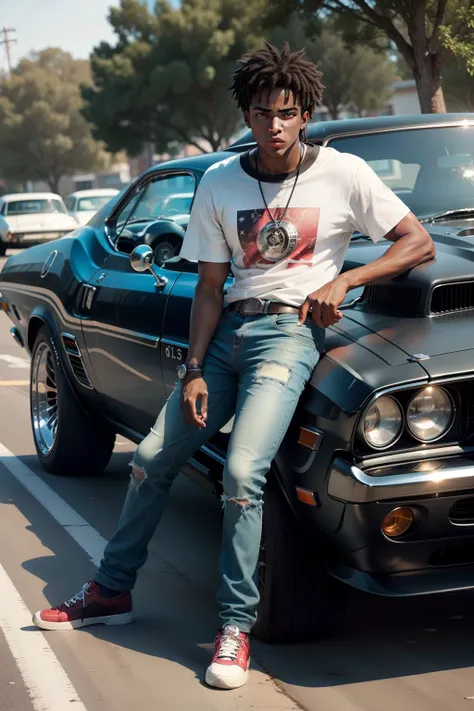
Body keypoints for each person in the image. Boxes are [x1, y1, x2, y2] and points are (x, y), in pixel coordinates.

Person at [32, 42, 436, 690]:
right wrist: (193, 368)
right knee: (150, 458)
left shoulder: (344, 175)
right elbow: (212, 288)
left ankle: (234, 627)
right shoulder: (220, 180)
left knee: (244, 472)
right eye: (261, 112)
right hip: (225, 338)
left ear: (304, 113)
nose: (274, 125)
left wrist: (347, 279)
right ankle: (111, 589)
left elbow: (413, 241)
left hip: (291, 334)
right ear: (246, 114)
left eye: (286, 111)